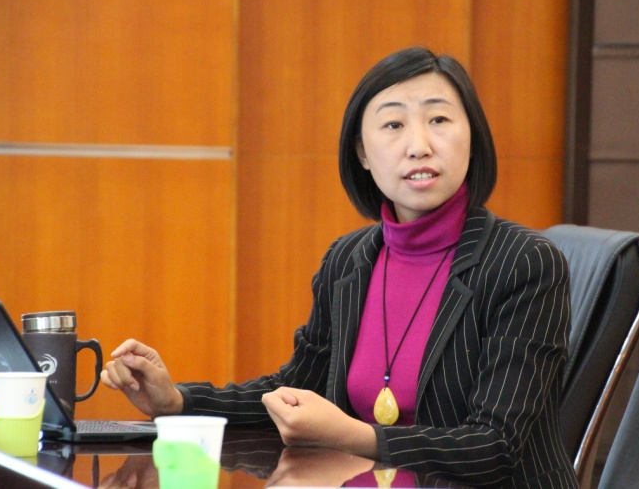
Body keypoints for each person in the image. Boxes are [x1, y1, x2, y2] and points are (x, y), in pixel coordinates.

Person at [101, 46, 579, 488]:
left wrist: (353, 435)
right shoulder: (350, 260)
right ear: (362, 153)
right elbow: (295, 389)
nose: (419, 145)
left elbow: (494, 447)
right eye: (393, 125)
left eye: (439, 119)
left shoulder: (524, 263)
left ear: (472, 138)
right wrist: (178, 401)